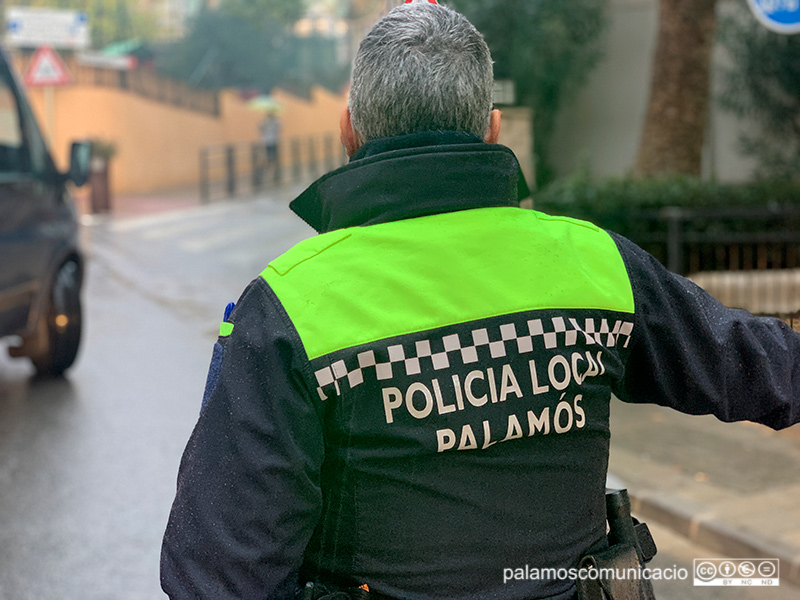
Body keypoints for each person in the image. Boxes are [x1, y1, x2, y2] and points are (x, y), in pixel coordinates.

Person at [160, 3, 800, 600]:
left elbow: (219, 572)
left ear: (347, 132)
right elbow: (765, 367)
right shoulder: (596, 264)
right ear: (492, 131)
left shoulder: (286, 309)